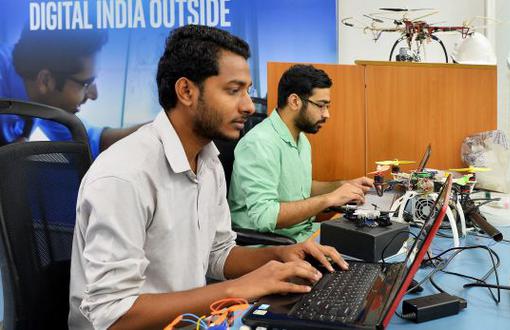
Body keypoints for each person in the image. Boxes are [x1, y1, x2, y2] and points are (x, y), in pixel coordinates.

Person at [68, 25, 348, 329]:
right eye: (233, 90)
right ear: (186, 91)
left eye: (247, 90)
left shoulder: (209, 160)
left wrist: (280, 254)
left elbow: (217, 254)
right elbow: (113, 316)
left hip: (193, 321)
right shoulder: (124, 175)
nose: (247, 105)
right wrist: (236, 289)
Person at [227, 64, 374, 242]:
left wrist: (344, 186)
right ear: (295, 101)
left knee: (374, 241)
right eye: (321, 105)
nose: (327, 114)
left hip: (303, 234)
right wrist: (329, 199)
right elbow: (266, 217)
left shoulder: (300, 139)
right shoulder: (259, 144)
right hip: (271, 245)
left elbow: (300, 189)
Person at [0, 28, 142, 157]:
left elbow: (92, 142)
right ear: (45, 80)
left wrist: (157, 127)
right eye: (86, 83)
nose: (94, 95)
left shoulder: (41, 93)